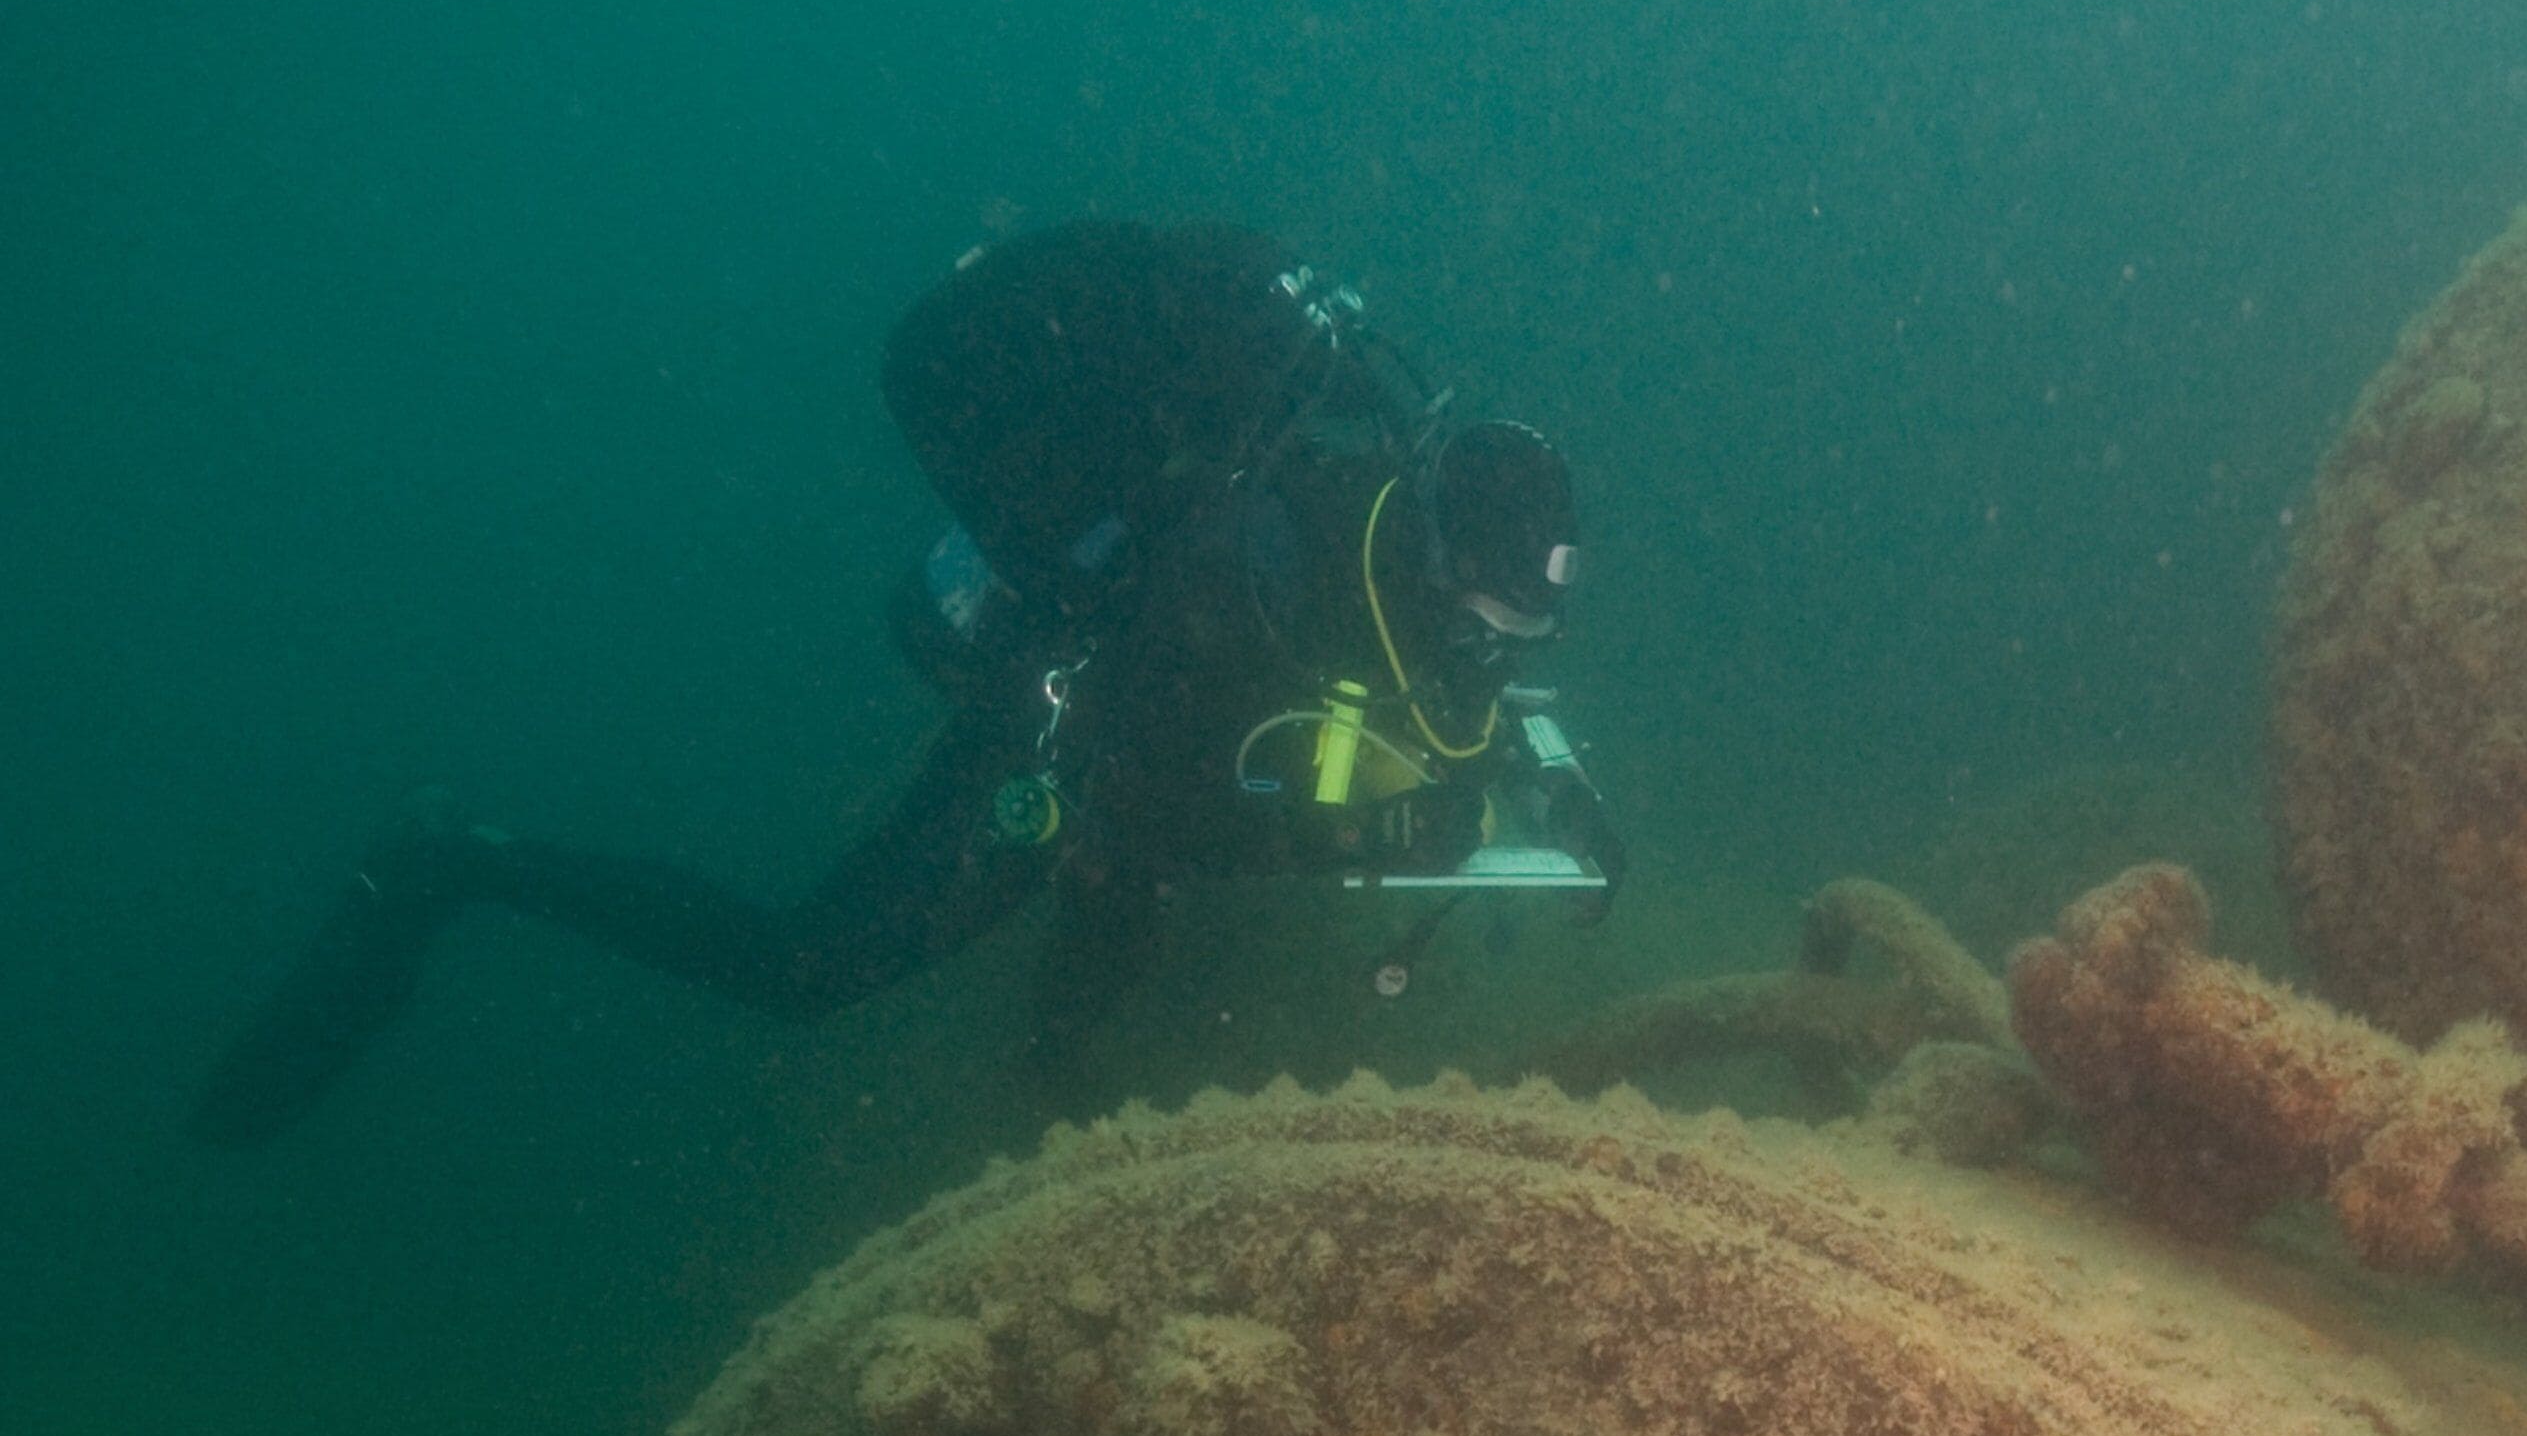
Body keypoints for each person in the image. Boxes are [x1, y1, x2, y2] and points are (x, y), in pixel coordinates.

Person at [190, 219, 1616, 1145]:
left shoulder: (1378, 538)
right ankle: (452, 865)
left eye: (1517, 629)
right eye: (1488, 616)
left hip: (1142, 744)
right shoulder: (1253, 584)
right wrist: (1377, 834)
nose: (1493, 646)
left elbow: (1391, 723)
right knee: (803, 967)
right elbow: (1165, 808)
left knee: (1108, 964)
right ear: (1435, 557)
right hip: (1060, 746)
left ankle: (1053, 1083)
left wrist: (1512, 775)